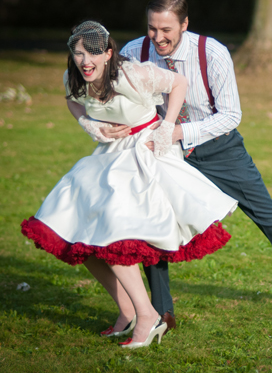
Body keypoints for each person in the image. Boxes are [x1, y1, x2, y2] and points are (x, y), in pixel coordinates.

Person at [102, 0, 272, 330]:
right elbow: (123, 99)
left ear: (184, 24)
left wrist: (178, 133)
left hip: (218, 148)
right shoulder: (136, 52)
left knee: (269, 217)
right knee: (153, 222)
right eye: (152, 28)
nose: (158, 37)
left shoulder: (212, 53)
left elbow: (230, 115)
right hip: (163, 153)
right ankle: (162, 311)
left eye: (166, 29)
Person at [21, 21, 238, 349]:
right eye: (78, 53)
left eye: (92, 52)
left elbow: (179, 82)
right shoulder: (74, 76)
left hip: (144, 153)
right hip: (107, 157)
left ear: (108, 53)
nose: (84, 60)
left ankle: (148, 315)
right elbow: (74, 101)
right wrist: (89, 124)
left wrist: (166, 127)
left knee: (114, 231)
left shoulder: (134, 74)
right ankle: (127, 311)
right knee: (76, 234)